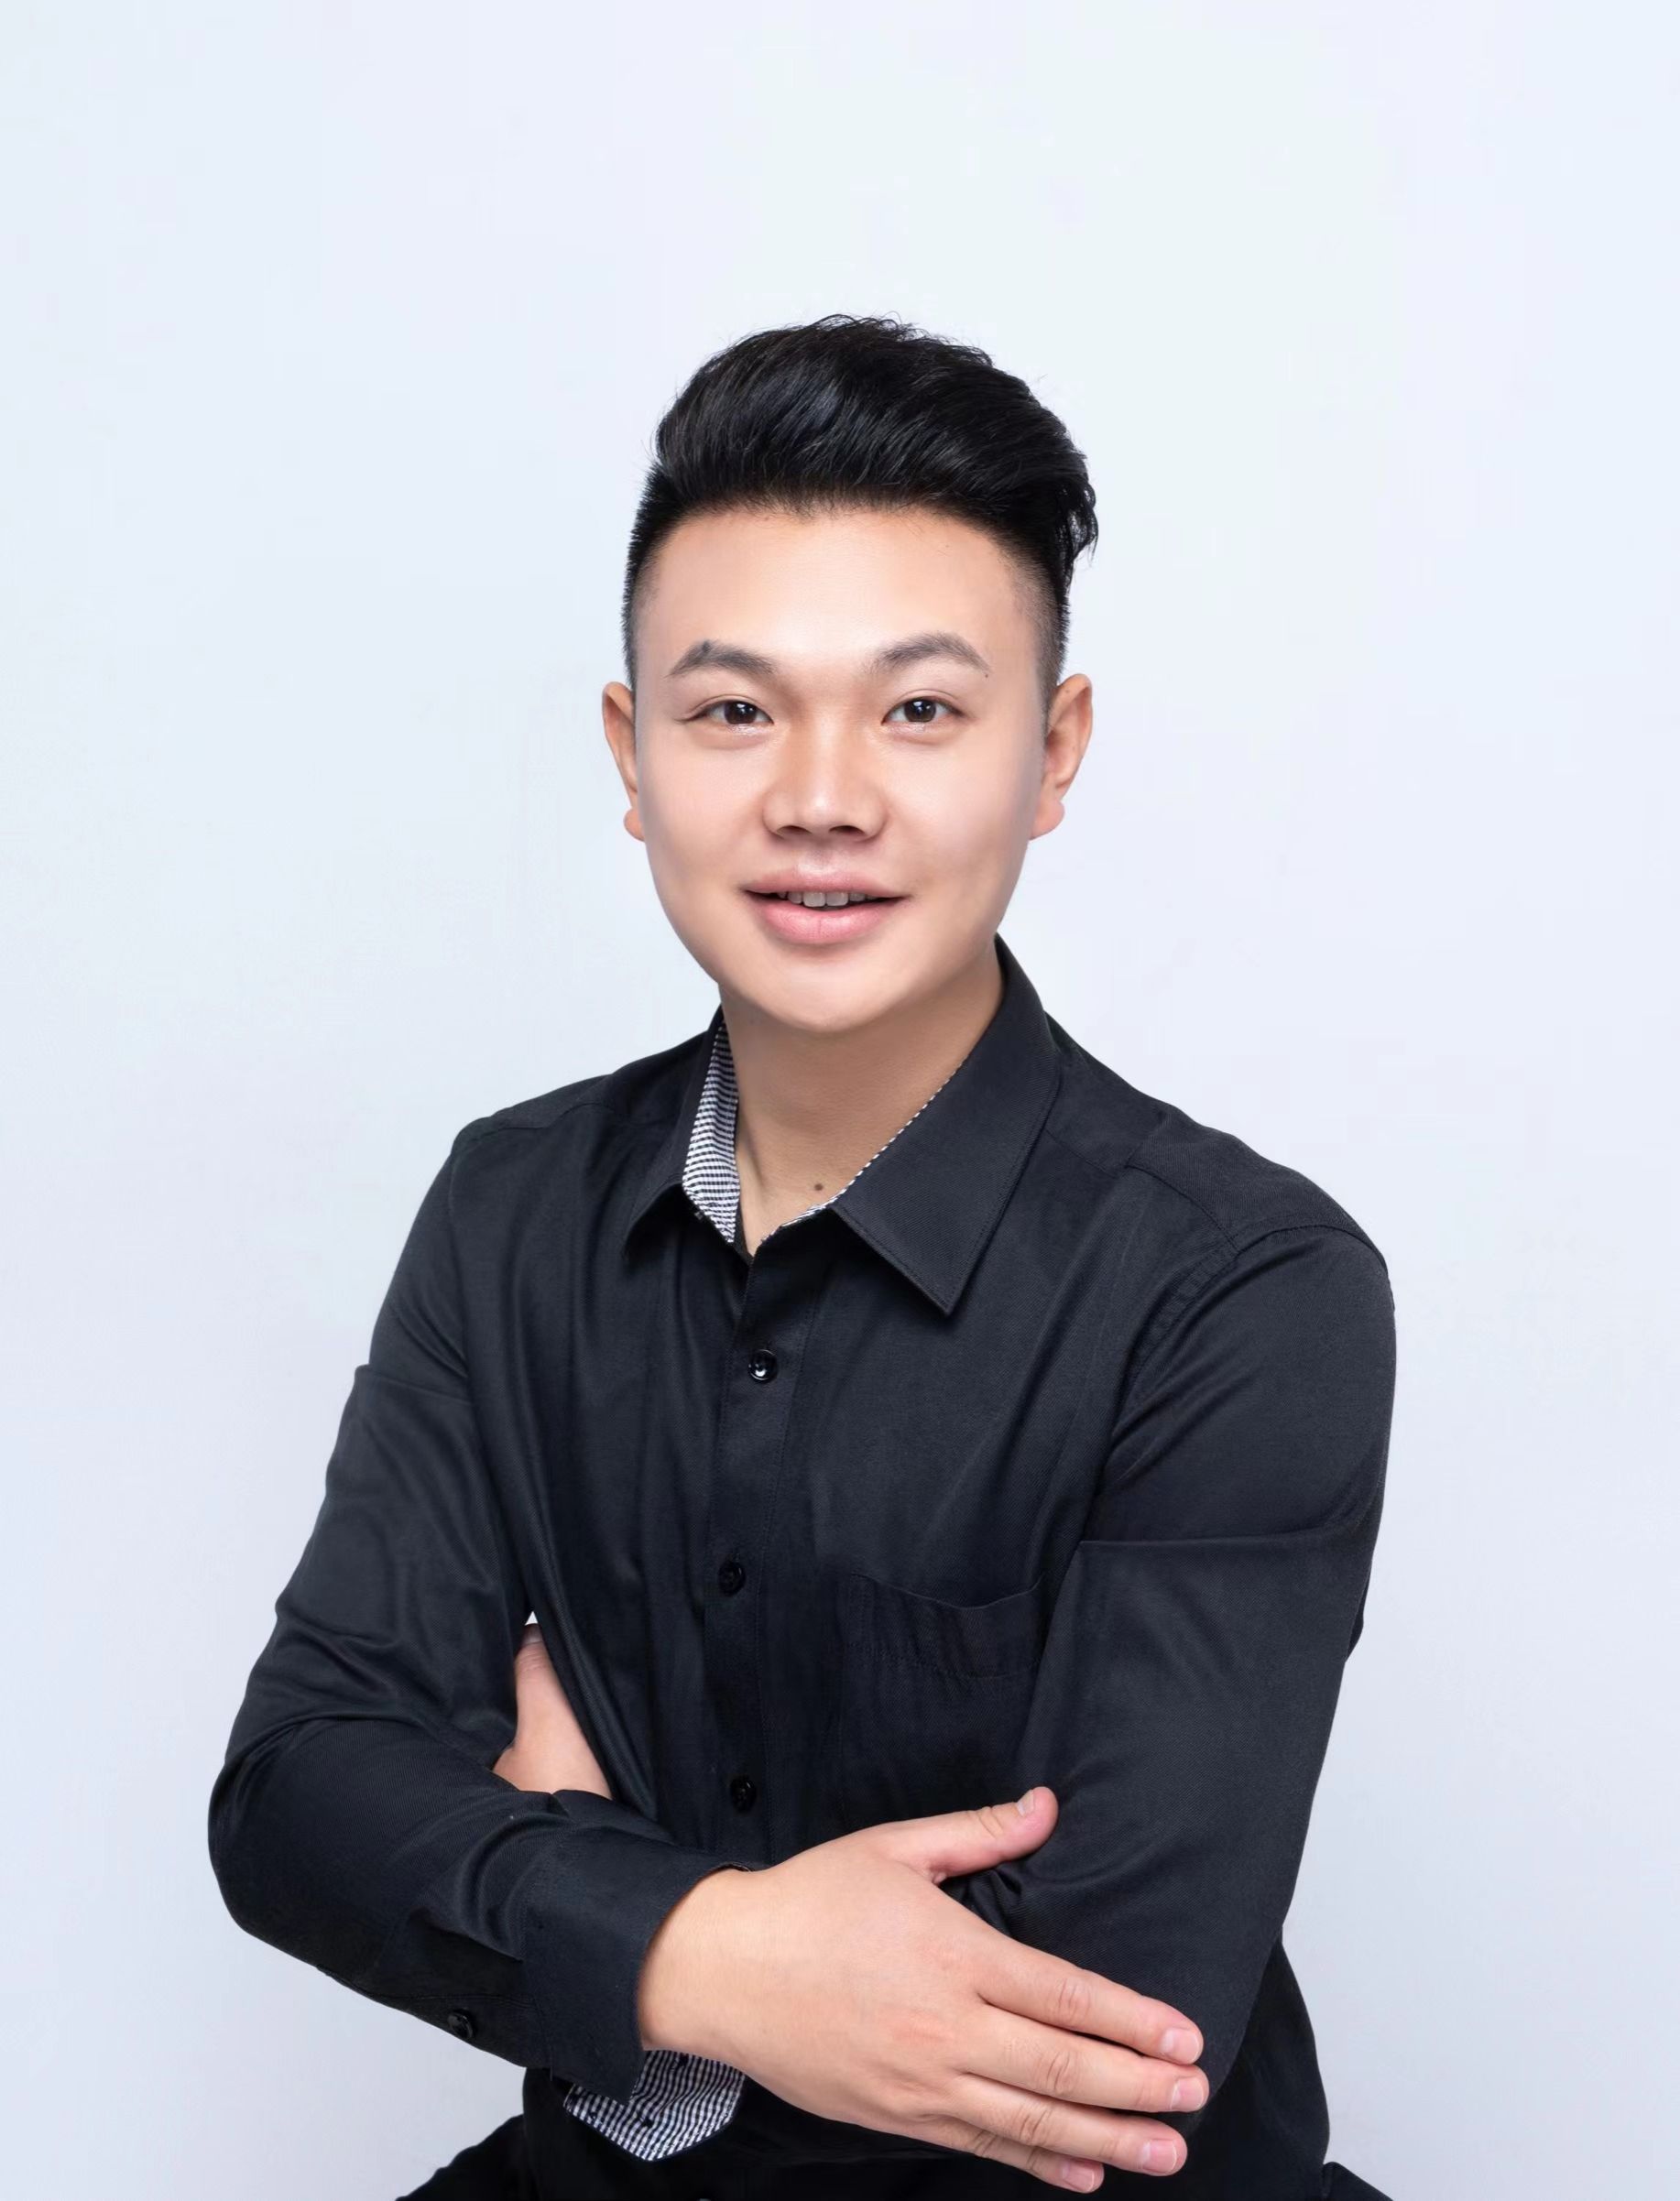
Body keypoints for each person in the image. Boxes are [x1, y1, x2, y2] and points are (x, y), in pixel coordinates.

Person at [209, 314, 1398, 2201]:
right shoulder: (510, 1209)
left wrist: (576, 1892)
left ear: (1050, 752)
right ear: (632, 755)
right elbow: (297, 1794)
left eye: (918, 710)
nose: (820, 794)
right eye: (733, 711)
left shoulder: (1240, 1289)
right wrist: (730, 1954)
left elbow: (1098, 2036)